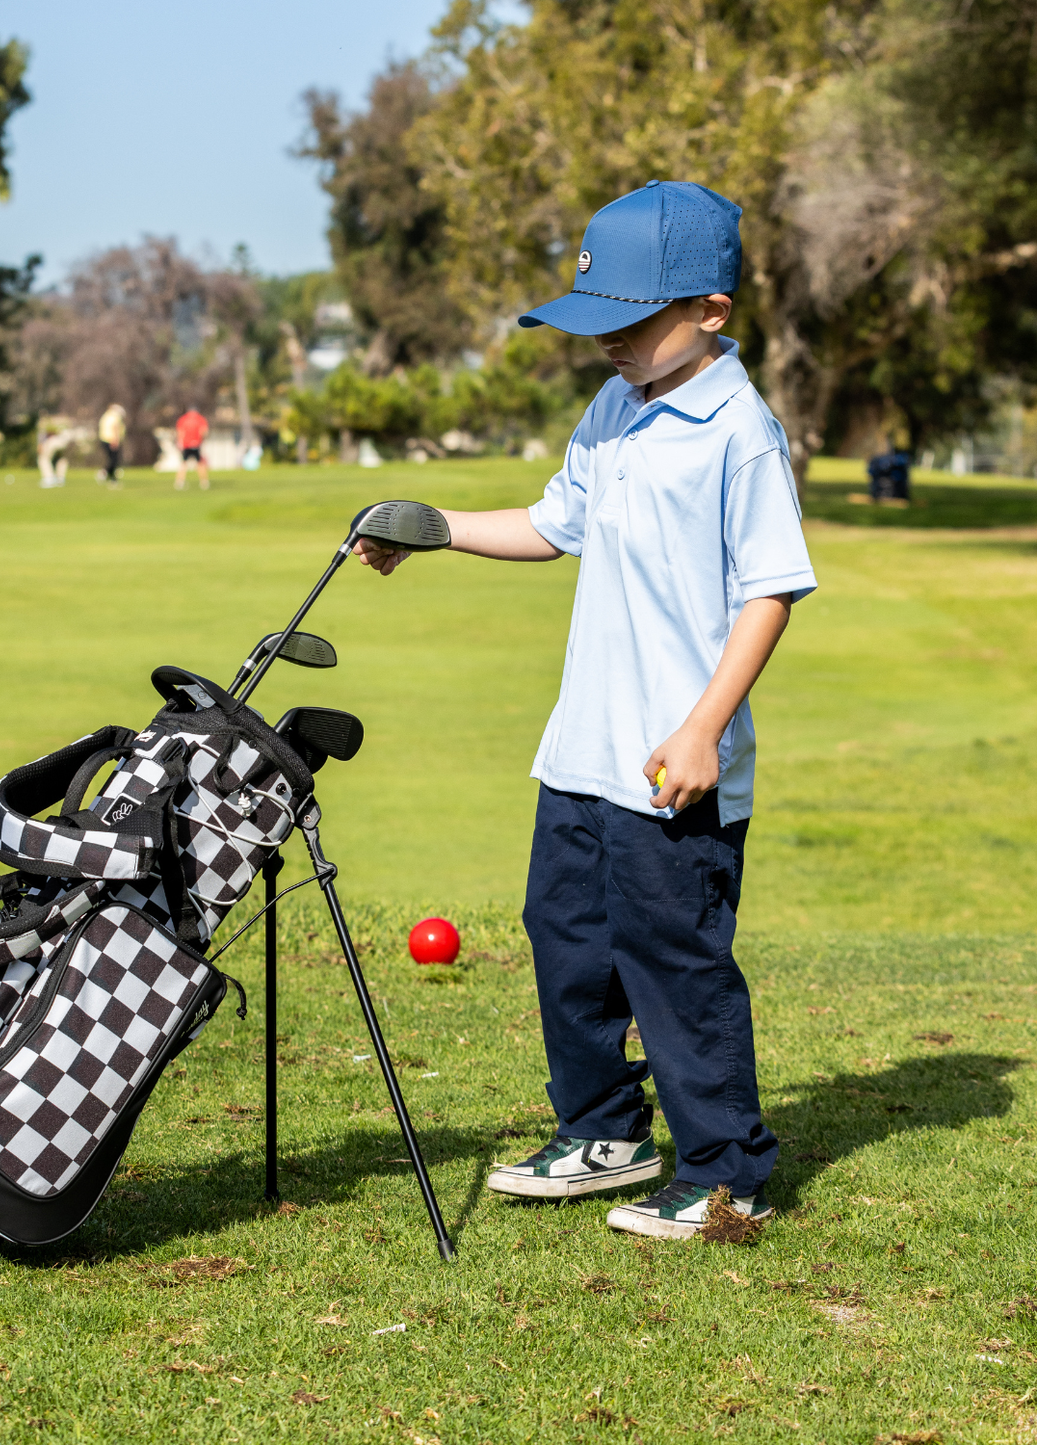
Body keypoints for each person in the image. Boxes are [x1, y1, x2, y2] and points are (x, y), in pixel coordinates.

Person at [356, 181, 817, 1241]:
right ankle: (605, 1132)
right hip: (580, 752)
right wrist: (431, 527)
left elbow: (770, 588)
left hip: (672, 762)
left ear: (707, 309)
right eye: (592, 323)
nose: (603, 343)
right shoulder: (615, 404)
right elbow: (550, 523)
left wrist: (703, 724)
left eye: (626, 322)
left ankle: (724, 1175)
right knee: (563, 943)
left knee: (674, 966)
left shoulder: (737, 432)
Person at [174, 406, 210, 490]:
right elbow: (204, 431)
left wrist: (180, 442)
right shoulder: (200, 419)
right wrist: (202, 440)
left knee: (183, 463)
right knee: (200, 463)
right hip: (196, 444)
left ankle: (179, 482)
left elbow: (180, 432)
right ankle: (204, 482)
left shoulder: (183, 419)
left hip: (186, 445)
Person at [97, 403, 127, 485]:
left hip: (104, 440)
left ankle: (106, 474)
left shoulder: (106, 416)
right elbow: (115, 428)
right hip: (111, 441)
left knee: (112, 460)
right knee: (114, 460)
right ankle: (111, 478)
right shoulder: (114, 417)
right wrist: (115, 440)